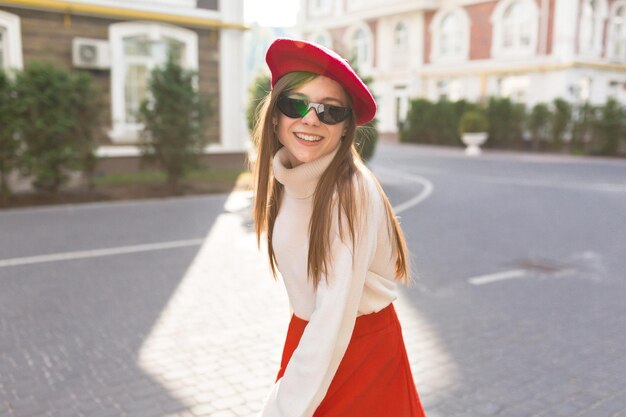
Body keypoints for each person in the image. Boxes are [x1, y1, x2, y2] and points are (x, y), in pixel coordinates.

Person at [252, 38, 426, 417]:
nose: (311, 118)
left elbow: (334, 314)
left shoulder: (350, 192)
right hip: (312, 342)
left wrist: (281, 407)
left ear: (346, 129)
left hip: (358, 352)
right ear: (276, 115)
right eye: (295, 103)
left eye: (330, 111)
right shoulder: (290, 179)